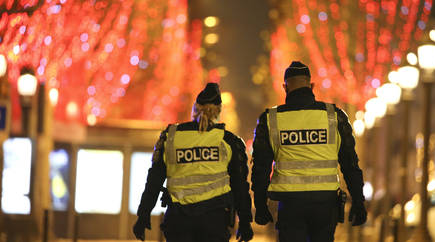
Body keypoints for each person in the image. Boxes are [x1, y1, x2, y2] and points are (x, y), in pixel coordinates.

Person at [251, 61, 367, 242]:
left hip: (290, 206)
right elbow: (349, 163)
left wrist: (260, 205)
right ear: (311, 85)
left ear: (285, 87)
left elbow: (261, 167)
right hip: (325, 204)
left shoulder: (271, 119)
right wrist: (358, 201)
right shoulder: (334, 116)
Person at [133, 83, 254, 242]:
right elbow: (239, 186)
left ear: (194, 109)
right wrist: (245, 221)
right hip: (214, 222)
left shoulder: (171, 137)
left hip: (178, 222)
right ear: (218, 111)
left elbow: (154, 180)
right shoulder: (228, 142)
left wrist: (143, 215)